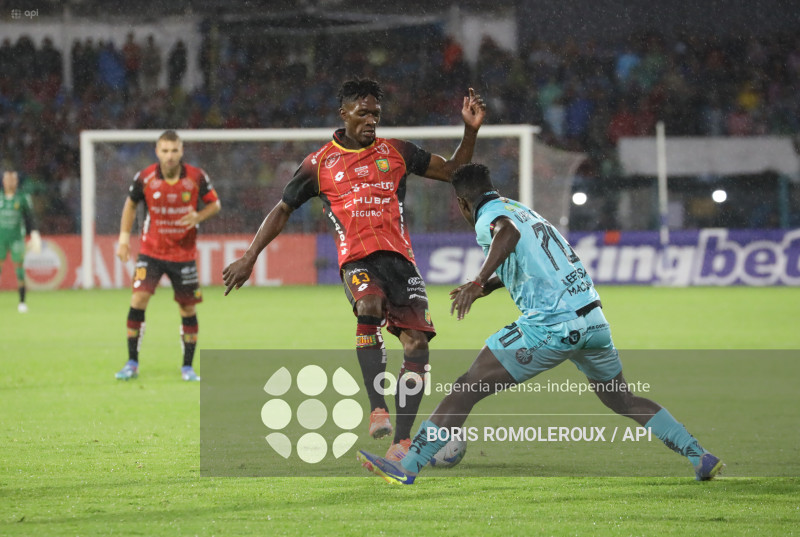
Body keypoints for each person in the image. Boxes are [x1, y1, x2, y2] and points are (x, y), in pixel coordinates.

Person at [357, 163, 724, 484]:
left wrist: (479, 281)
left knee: (465, 388)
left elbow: (507, 235)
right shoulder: (523, 210)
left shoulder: (489, 217)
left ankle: (409, 465)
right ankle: (699, 455)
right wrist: (494, 285)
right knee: (623, 399)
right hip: (593, 320)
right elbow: (534, 260)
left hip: (551, 325)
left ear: (463, 204)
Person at [223, 78, 486, 461]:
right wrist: (250, 256)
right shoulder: (319, 164)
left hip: (402, 262)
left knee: (417, 345)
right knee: (369, 306)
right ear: (343, 113)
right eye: (363, 113)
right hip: (358, 260)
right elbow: (283, 209)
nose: (371, 120)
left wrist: (470, 130)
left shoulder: (397, 151)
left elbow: (453, 171)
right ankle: (377, 407)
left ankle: (402, 443)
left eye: (375, 114)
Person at [114, 130, 221, 381]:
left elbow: (215, 204)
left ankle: (187, 367)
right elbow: (131, 204)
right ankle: (131, 363)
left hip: (183, 254)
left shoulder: (196, 176)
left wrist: (198, 216)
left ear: (181, 151)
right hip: (150, 252)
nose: (170, 156)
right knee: (138, 299)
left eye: (174, 150)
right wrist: (123, 239)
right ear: (157, 151)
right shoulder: (145, 177)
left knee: (187, 307)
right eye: (165, 150)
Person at [0, 170, 41, 313]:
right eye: (8, 179)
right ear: (3, 181)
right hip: (0, 239)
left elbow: (30, 217)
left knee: (19, 270)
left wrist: (34, 233)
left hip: (17, 239)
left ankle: (22, 302)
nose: (10, 182)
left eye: (13, 180)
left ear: (16, 182)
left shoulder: (22, 198)